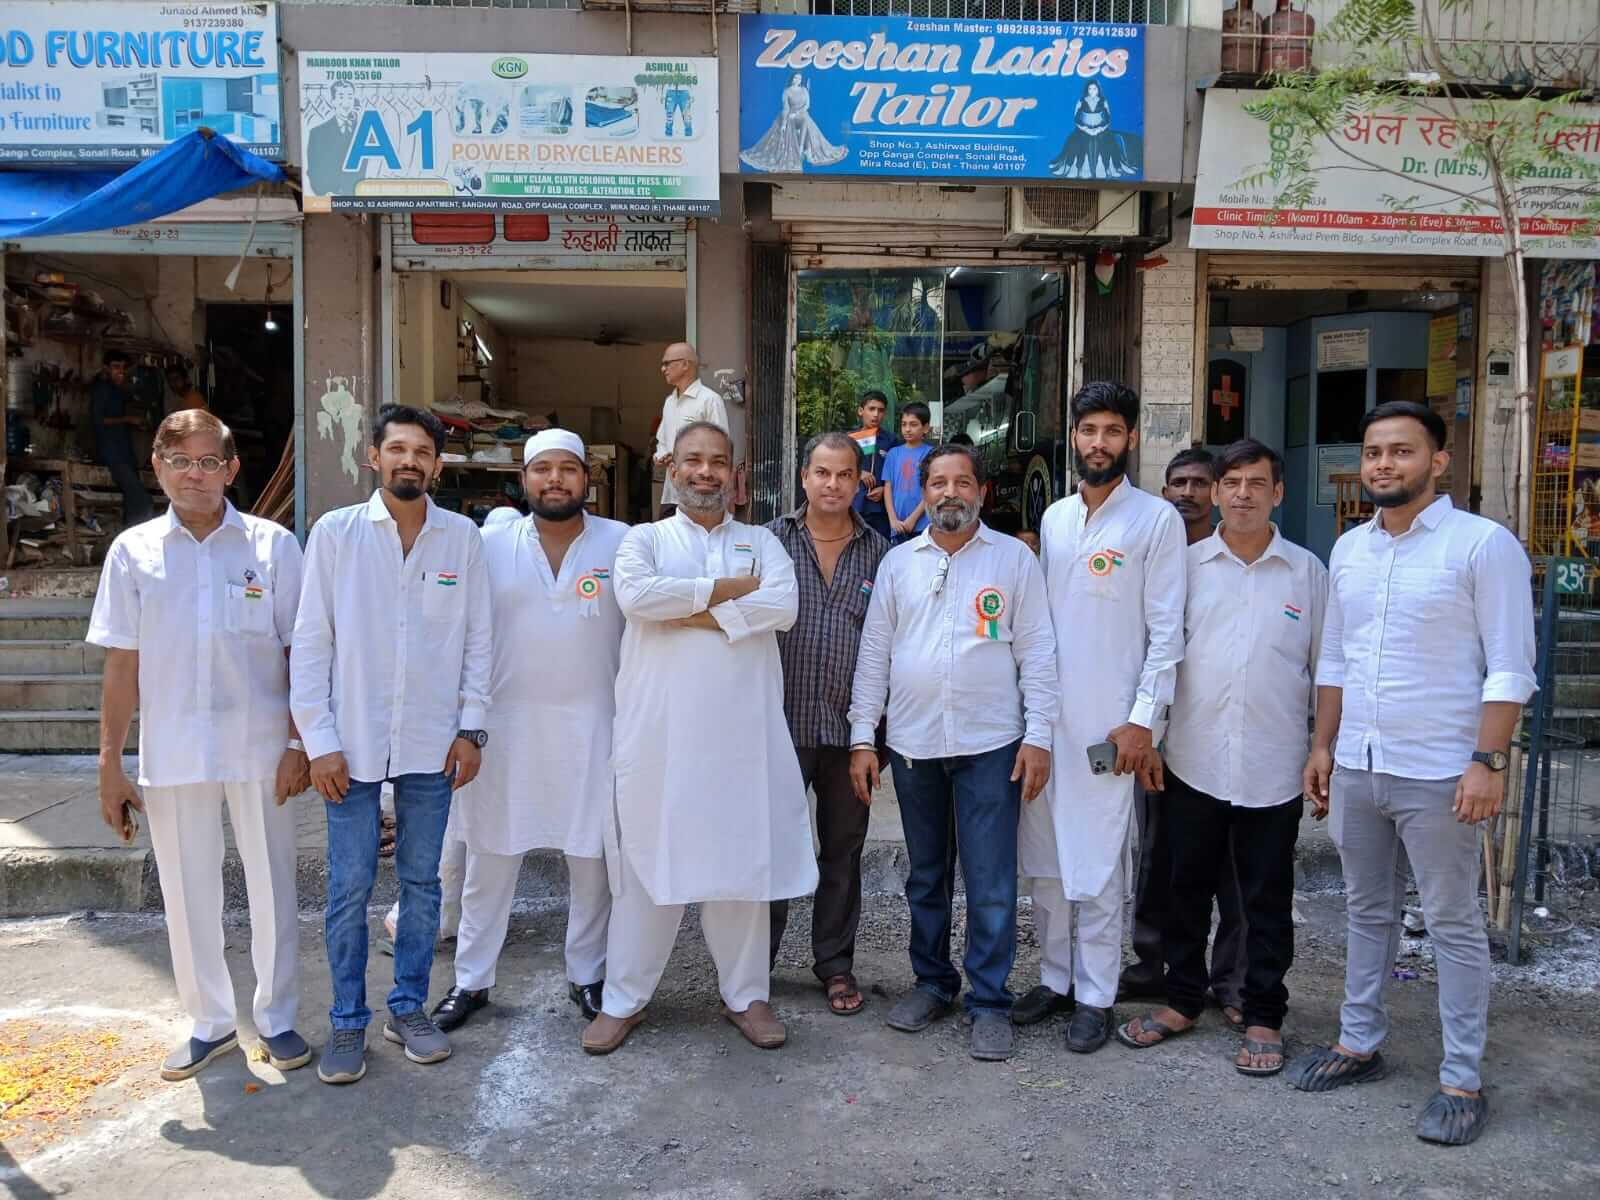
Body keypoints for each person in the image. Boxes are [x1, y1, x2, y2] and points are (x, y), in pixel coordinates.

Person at [1291, 402, 1536, 1147]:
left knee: (1452, 922)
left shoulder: (1483, 546)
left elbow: (1510, 667)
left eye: (1401, 451)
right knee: (1366, 910)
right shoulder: (1350, 550)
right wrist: (1323, 746)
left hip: (1442, 770)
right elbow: (1336, 658)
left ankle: (1461, 1079)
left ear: (1439, 461)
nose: (1384, 464)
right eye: (1374, 452)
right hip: (1359, 764)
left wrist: (1487, 762)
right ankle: (1358, 1042)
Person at [88, 409, 310, 1080]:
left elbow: (303, 652)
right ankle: (210, 1023)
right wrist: (110, 763)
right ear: (157, 466)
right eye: (180, 460)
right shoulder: (133, 552)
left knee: (273, 884)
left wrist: (299, 741)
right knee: (186, 891)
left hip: (260, 744)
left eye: (209, 461)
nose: (195, 474)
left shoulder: (272, 547)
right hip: (175, 746)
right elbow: (122, 663)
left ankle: (277, 1018)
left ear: (231, 470)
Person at [583, 421, 817, 1055]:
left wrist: (687, 612)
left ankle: (747, 996)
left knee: (741, 864)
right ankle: (623, 999)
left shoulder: (762, 542)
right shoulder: (643, 539)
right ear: (673, 469)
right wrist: (728, 594)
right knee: (649, 863)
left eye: (717, 462)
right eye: (693, 460)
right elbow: (637, 597)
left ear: (735, 475)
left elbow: (784, 606)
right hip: (661, 736)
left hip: (742, 738)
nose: (705, 472)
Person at [291, 404, 492, 1085]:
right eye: (397, 449)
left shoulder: (461, 539)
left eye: (422, 451)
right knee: (349, 886)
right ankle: (347, 1020)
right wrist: (318, 741)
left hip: (433, 742)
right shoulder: (337, 534)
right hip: (349, 742)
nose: (410, 460)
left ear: (438, 464)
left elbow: (479, 640)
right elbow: (311, 642)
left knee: (422, 883)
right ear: (373, 457)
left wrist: (471, 729)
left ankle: (408, 1008)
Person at [1115, 439, 1327, 1079]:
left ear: (1277, 493)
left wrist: (1322, 748)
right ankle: (1182, 1000)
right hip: (1192, 760)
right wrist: (1151, 736)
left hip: (1274, 763)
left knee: (1266, 898)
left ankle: (1263, 1014)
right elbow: (1161, 656)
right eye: (1230, 483)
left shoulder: (1306, 573)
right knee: (1184, 890)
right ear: (1216, 492)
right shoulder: (1186, 567)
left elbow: (1327, 669)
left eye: (1255, 483)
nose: (1241, 495)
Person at [848, 444, 1056, 1062]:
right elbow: (874, 653)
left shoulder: (1013, 560)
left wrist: (1039, 734)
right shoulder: (898, 564)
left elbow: (1038, 651)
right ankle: (933, 982)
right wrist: (863, 736)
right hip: (913, 743)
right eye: (938, 482)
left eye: (963, 482)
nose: (950, 493)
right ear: (923, 493)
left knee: (990, 880)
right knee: (926, 875)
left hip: (992, 743)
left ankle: (989, 1001)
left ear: (981, 493)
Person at [431, 430, 626, 1032]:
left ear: (588, 478)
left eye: (568, 468)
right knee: (489, 858)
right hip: (504, 726)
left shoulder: (622, 543)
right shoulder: (488, 544)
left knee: (591, 861)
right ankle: (471, 980)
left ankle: (587, 975)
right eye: (543, 469)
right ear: (524, 479)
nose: (555, 479)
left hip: (595, 725)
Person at [1017, 380, 1186, 1052]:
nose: (1099, 443)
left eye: (1112, 431)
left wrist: (1145, 722)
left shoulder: (1156, 520)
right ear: (1074, 437)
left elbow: (1167, 633)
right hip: (1045, 723)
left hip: (1110, 728)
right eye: (1089, 430)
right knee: (1047, 862)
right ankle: (1054, 979)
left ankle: (1095, 994)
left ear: (1131, 439)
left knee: (1099, 864)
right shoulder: (1057, 519)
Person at [1121, 446, 1249, 1026]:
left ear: (1216, 492)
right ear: (1165, 490)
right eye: (1178, 483)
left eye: (1200, 483)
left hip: (1227, 735)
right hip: (1158, 734)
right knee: (1156, 856)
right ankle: (1154, 964)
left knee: (1231, 865)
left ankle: (1233, 980)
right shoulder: (1155, 555)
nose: (1188, 494)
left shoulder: (1236, 560)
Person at [767, 432, 890, 1016]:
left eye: (844, 474)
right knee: (771, 848)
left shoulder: (882, 553)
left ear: (859, 481)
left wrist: (876, 734)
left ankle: (835, 964)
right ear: (804, 477)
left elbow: (890, 647)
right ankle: (753, 966)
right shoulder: (770, 542)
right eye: (822, 472)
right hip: (778, 725)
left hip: (850, 734)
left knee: (842, 851)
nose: (832, 484)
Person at [653, 343, 728, 520]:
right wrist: (661, 455)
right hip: (671, 494)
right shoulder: (669, 402)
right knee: (667, 536)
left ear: (685, 364)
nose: (663, 369)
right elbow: (662, 441)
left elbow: (722, 447)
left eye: (667, 363)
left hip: (700, 493)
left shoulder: (709, 400)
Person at [90, 349, 154, 527]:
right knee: (142, 500)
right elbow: (98, 420)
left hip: (124, 452)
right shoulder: (102, 389)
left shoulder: (117, 391)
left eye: (124, 368)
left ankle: (130, 533)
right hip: (112, 454)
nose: (121, 371)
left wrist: (135, 422)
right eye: (116, 367)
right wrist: (128, 419)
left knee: (132, 499)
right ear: (106, 368)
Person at [849, 390, 899, 542]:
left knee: (881, 548)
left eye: (881, 410)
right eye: (871, 409)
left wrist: (884, 489)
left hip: (880, 509)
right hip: (854, 505)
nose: (876, 414)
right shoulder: (849, 439)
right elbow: (837, 468)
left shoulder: (891, 440)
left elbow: (898, 473)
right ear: (861, 411)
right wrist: (859, 473)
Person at [880, 402, 933, 543]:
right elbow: (888, 487)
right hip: (897, 525)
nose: (907, 429)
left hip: (923, 525)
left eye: (913, 424)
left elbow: (932, 489)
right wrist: (892, 520)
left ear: (925, 428)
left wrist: (913, 519)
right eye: (904, 424)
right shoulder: (893, 453)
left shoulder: (932, 454)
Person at [305, 80, 368, 197]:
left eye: (350, 97)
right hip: (329, 196)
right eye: (341, 97)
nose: (346, 102)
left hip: (358, 196)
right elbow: (313, 169)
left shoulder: (363, 130)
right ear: (333, 101)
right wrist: (323, 192)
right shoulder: (318, 133)